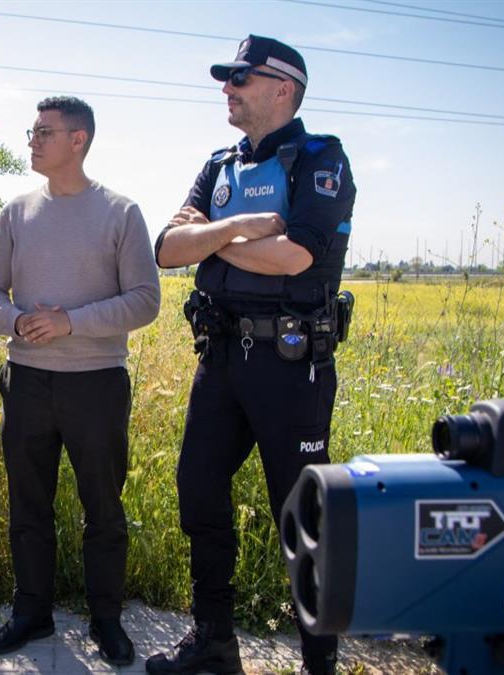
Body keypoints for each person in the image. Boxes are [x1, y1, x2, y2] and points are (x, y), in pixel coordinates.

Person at [145, 35, 356, 675]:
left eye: (241, 78)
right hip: (221, 358)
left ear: (283, 88)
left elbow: (297, 255)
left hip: (290, 367)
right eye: (227, 79)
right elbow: (166, 248)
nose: (228, 89)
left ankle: (318, 662)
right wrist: (243, 229)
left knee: (301, 514)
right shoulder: (221, 163)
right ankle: (214, 644)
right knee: (198, 491)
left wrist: (209, 236)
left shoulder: (321, 159)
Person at [0, 96, 161, 668]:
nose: (32, 140)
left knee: (102, 507)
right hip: (26, 381)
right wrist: (16, 324)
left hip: (96, 385)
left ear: (78, 139)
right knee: (28, 504)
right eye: (32, 130)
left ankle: (106, 619)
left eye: (43, 131)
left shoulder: (121, 212)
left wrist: (70, 322)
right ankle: (32, 612)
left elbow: (146, 301)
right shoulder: (16, 211)